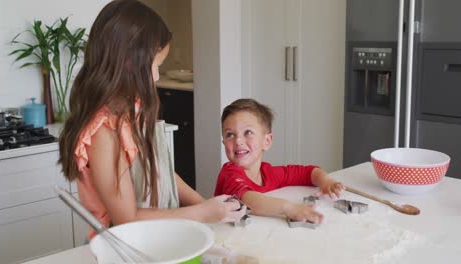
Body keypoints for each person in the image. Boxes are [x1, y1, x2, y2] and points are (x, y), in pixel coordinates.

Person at [58, 0, 245, 240]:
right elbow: (127, 218)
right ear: (128, 61)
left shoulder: (132, 109)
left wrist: (210, 206)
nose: (157, 76)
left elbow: (161, 172)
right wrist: (203, 212)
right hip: (125, 247)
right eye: (156, 65)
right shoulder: (103, 132)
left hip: (157, 236)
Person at [214, 98, 345, 224]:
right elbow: (248, 200)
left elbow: (307, 172)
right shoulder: (230, 173)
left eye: (247, 132)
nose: (238, 141)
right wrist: (290, 208)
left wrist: (326, 181)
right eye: (230, 135)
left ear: (267, 141)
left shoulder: (268, 172)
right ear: (224, 142)